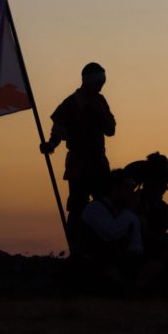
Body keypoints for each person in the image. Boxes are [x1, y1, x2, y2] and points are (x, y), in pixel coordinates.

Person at [40, 62, 116, 233]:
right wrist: (50, 145)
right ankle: (75, 242)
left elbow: (111, 130)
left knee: (105, 203)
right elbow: (58, 131)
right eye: (98, 83)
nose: (100, 87)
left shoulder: (101, 101)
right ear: (88, 82)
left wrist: (100, 113)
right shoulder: (70, 104)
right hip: (78, 163)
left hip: (99, 161)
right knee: (77, 206)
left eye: (102, 83)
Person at [79, 168, 143, 283]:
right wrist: (130, 211)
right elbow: (111, 234)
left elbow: (136, 246)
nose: (131, 192)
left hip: (120, 264)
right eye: (127, 187)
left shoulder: (125, 213)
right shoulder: (95, 208)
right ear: (114, 189)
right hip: (97, 268)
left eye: (132, 188)